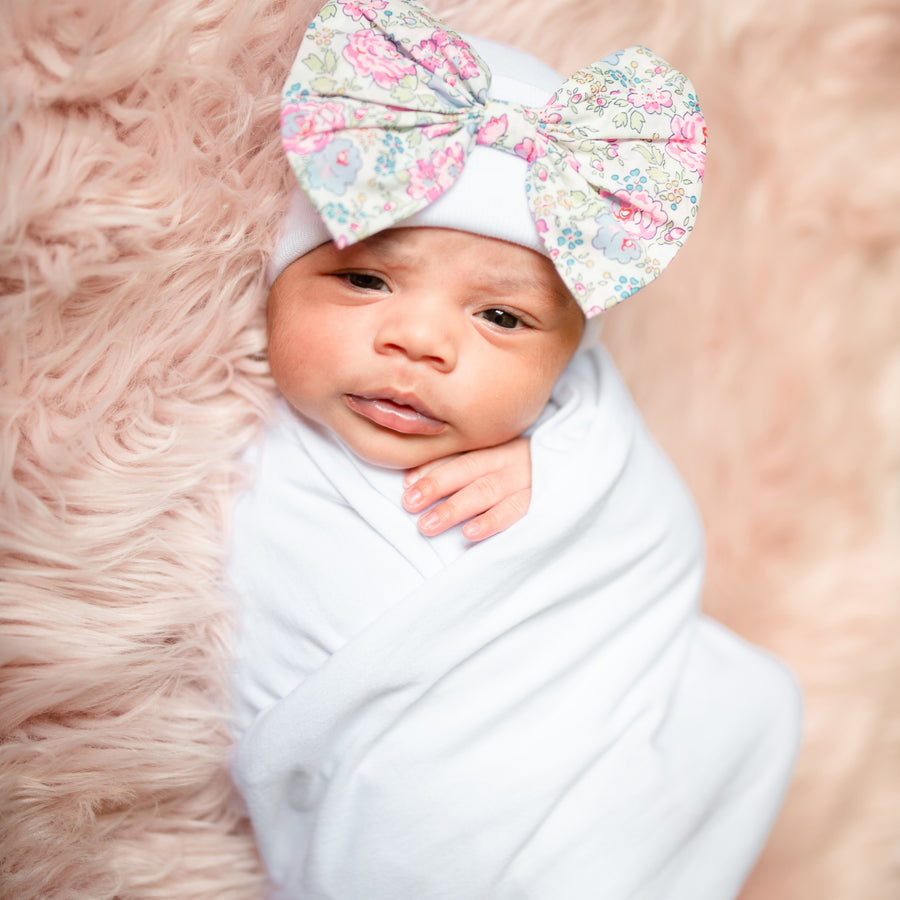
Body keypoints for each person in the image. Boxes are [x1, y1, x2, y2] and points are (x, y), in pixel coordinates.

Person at [227, 1, 802, 898]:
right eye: (366, 278)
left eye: (501, 316)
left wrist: (569, 481)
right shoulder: (212, 446)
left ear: (567, 360)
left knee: (747, 699)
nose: (419, 342)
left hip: (584, 802)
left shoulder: (579, 437)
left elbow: (652, 545)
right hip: (396, 831)